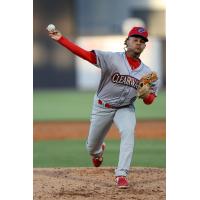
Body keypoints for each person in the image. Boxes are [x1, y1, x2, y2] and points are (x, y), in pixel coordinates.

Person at [47, 26, 159, 189]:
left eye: (142, 41)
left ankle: (121, 174)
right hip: (102, 107)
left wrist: (145, 95)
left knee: (128, 133)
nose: (138, 43)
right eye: (135, 40)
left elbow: (149, 100)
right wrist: (61, 40)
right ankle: (98, 152)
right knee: (92, 147)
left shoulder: (147, 73)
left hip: (125, 108)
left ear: (144, 46)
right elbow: (85, 55)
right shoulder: (111, 58)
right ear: (127, 42)